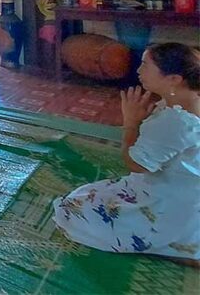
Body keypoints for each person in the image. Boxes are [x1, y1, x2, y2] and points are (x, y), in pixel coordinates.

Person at [53, 43, 200, 261]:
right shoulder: (185, 103)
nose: (139, 71)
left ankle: (177, 246)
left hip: (169, 204)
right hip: (186, 195)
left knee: (70, 210)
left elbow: (134, 164)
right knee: (85, 195)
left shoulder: (176, 121)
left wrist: (130, 123)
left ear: (174, 79)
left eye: (145, 65)